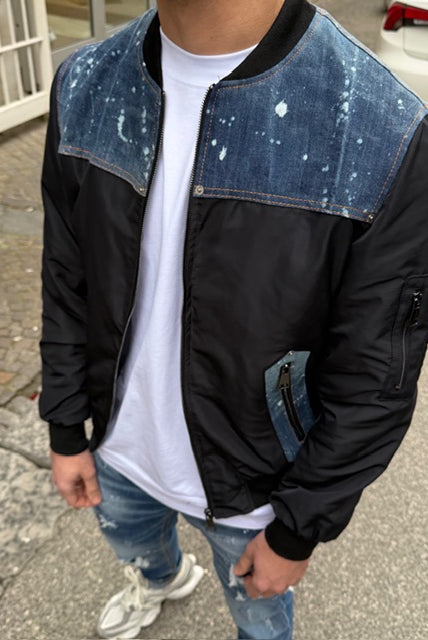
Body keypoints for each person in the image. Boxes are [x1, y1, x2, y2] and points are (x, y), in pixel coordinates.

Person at [39, 0, 428, 638]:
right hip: (115, 449)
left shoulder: (380, 126)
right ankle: (162, 578)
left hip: (253, 493)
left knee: (261, 623)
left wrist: (298, 530)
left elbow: (375, 376)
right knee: (135, 545)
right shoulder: (85, 84)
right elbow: (65, 275)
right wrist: (64, 426)